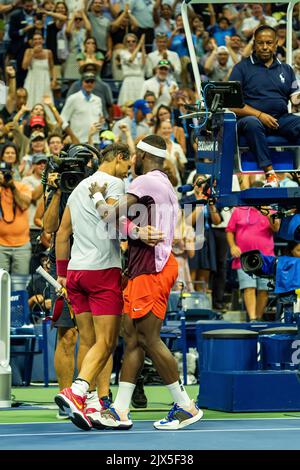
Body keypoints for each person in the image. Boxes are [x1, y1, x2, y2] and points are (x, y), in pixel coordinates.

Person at [88, 135, 203, 430]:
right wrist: (136, 230)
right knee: (133, 338)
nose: (131, 160)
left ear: (141, 155)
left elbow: (109, 217)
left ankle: (185, 405)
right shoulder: (163, 182)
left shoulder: (146, 182)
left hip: (152, 270)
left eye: (134, 155)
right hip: (147, 269)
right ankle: (120, 410)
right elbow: (128, 224)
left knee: (148, 338)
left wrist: (97, 196)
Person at [54, 143, 132, 430]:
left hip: (75, 273)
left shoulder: (77, 188)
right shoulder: (115, 183)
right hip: (102, 271)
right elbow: (111, 218)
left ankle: (92, 405)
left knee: (88, 341)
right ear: (118, 159)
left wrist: (62, 274)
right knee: (108, 341)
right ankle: (76, 393)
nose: (128, 170)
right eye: (128, 164)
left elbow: (62, 233)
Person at [229, 25, 300, 187]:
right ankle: (270, 174)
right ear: (254, 44)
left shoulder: (286, 69)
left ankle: (297, 173)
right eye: (260, 43)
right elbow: (233, 105)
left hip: (280, 119)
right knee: (253, 123)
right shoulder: (241, 68)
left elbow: (295, 100)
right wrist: (260, 115)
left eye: (269, 43)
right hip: (250, 119)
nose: (265, 47)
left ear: (276, 44)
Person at [226, 182, 280, 321]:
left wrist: (267, 212)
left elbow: (276, 228)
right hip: (244, 257)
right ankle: (252, 319)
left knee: (264, 290)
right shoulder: (239, 209)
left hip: (266, 257)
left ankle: (258, 318)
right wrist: (232, 246)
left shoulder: (271, 210)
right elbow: (229, 231)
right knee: (248, 288)